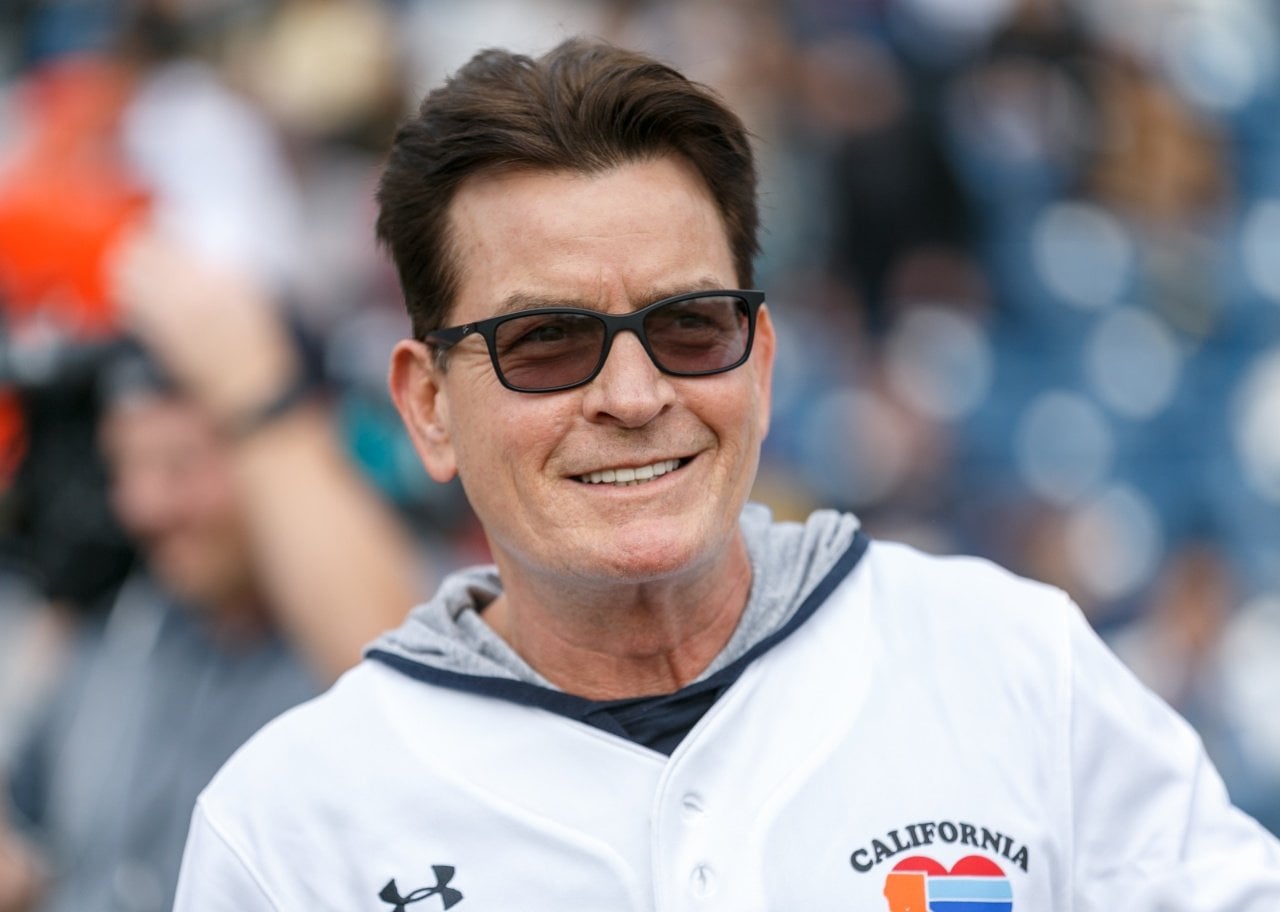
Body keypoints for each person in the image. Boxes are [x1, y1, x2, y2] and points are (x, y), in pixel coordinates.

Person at [172, 38, 1280, 910]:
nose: (633, 394)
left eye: (689, 326)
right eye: (547, 343)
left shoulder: (1009, 662)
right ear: (427, 405)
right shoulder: (289, 827)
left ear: (760, 359)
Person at [0, 234, 422, 912]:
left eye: (179, 466)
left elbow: (395, 681)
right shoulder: (124, 630)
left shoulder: (384, 624)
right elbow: (26, 846)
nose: (142, 504)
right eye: (125, 467)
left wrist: (255, 386)